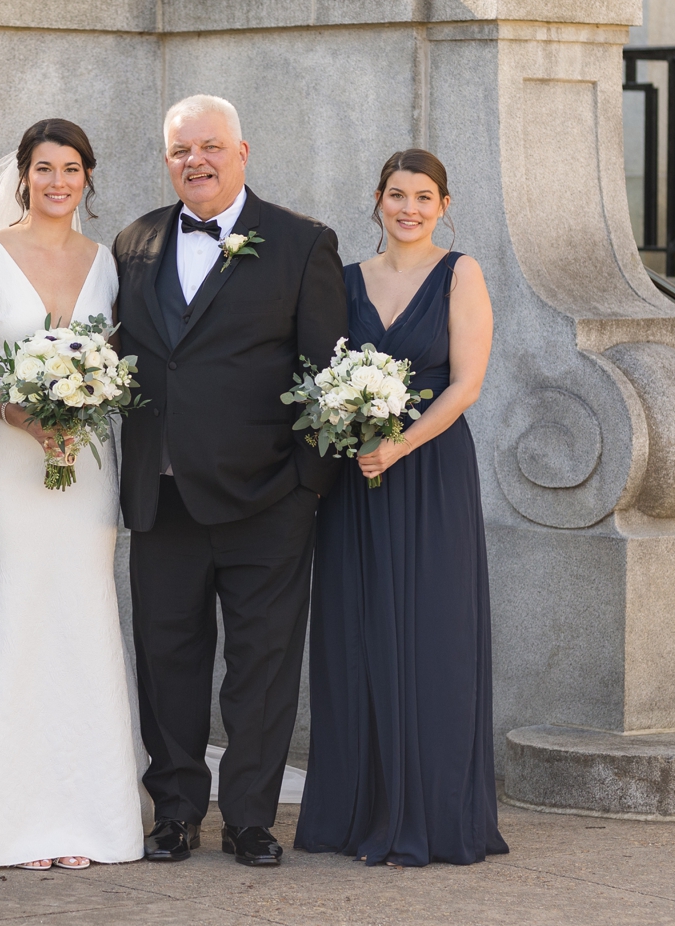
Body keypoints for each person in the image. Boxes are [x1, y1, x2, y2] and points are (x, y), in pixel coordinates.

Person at [113, 95, 347, 867]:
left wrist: (306, 484)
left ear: (243, 151)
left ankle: (250, 817)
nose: (196, 162)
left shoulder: (301, 242)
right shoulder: (134, 240)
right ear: (167, 159)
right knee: (168, 665)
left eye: (210, 147)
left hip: (268, 499)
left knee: (262, 667)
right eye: (181, 150)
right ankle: (175, 811)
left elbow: (326, 372)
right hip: (164, 497)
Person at [0, 119, 144, 870]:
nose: (59, 181)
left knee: (80, 622)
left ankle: (84, 817)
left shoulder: (107, 262)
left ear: (88, 176)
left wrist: (80, 410)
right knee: (15, 618)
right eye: (45, 168)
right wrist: (21, 414)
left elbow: (116, 363)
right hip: (7, 466)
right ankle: (8, 820)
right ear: (22, 175)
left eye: (73, 168)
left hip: (84, 471)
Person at [295, 149, 507, 867]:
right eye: (396, 195)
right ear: (377, 200)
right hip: (357, 478)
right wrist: (353, 428)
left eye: (423, 196)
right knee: (355, 634)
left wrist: (401, 444)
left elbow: (467, 384)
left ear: (443, 205)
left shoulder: (461, 273)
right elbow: (321, 371)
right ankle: (357, 813)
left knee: (430, 633)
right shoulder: (347, 279)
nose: (409, 208)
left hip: (430, 473)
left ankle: (436, 816)